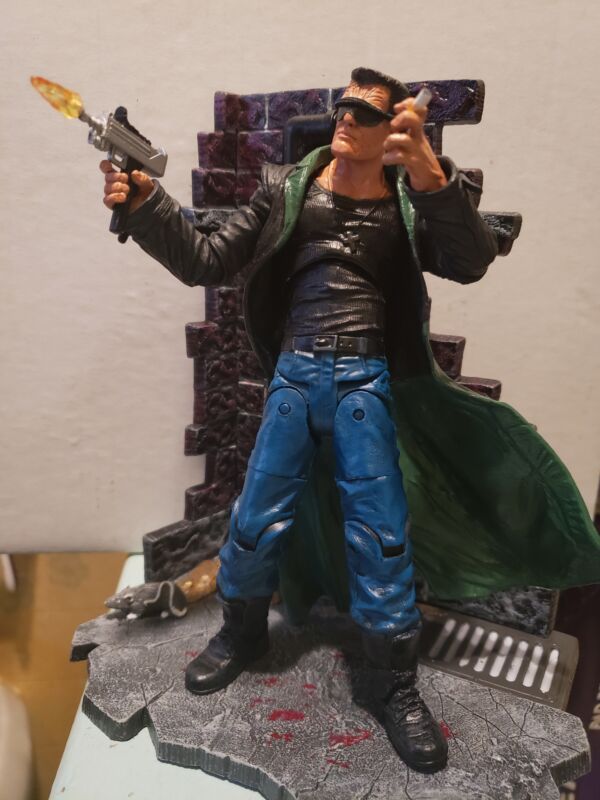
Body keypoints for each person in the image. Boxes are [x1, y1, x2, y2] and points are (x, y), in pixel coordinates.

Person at [99, 66, 599, 773]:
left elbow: (469, 260)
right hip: (295, 378)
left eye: (363, 114)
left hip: (365, 382)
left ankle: (393, 682)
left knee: (382, 537)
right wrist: (148, 203)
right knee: (255, 519)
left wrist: (429, 171)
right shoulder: (286, 190)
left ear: (391, 130)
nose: (345, 120)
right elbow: (206, 259)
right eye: (343, 108)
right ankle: (242, 633)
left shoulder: (408, 204)